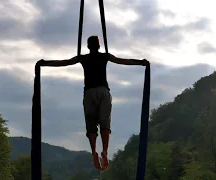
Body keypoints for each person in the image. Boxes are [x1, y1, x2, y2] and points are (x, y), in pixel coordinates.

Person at [38, 35, 149, 170]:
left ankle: (94, 151)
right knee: (105, 123)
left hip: (89, 92)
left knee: (91, 125)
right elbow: (123, 61)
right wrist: (140, 62)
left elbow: (63, 62)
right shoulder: (104, 56)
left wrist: (45, 62)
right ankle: (105, 151)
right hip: (103, 91)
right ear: (99, 46)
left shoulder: (83, 58)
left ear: (88, 46)